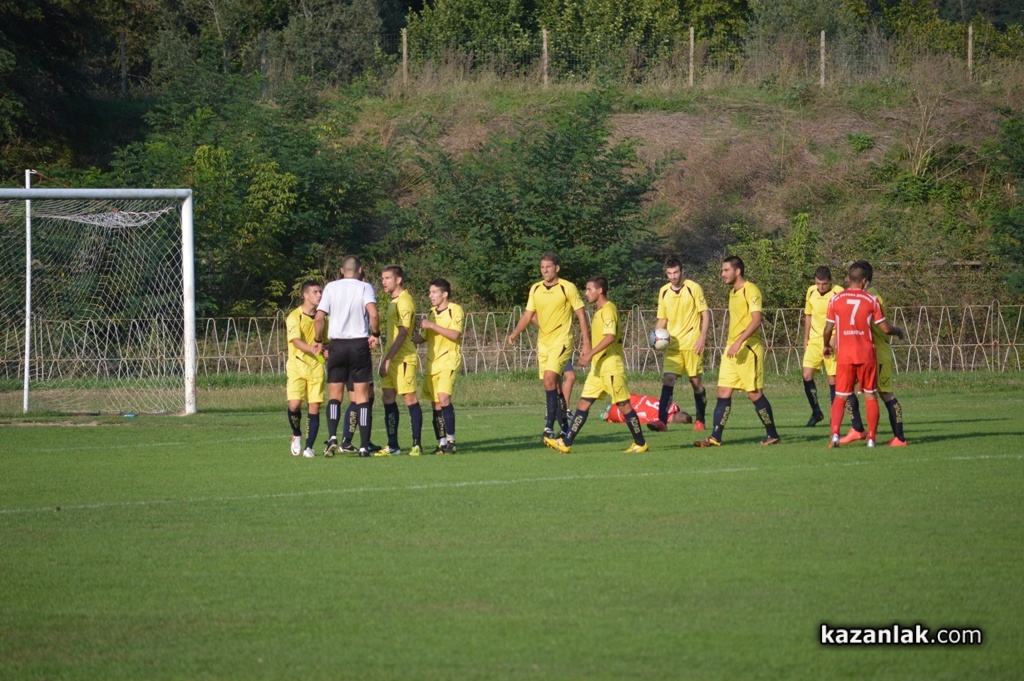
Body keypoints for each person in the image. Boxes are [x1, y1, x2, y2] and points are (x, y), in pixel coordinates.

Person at [545, 276, 648, 454]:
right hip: (598, 368)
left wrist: (589, 354)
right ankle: (566, 443)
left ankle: (640, 443)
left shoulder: (608, 309)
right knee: (583, 404)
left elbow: (610, 337)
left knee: (623, 405)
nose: (586, 293)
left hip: (611, 366)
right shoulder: (599, 311)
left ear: (600, 290)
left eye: (589, 289)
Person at [695, 256, 782, 447]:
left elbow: (756, 320)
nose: (722, 274)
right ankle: (715, 437)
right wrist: (733, 344)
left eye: (726, 270)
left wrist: (739, 342)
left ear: (738, 271)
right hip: (731, 349)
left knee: (754, 393)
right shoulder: (733, 292)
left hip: (748, 349)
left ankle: (772, 434)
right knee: (723, 391)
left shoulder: (751, 290)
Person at [508, 252, 591, 443]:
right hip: (543, 343)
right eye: (542, 267)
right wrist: (515, 332)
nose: (545, 270)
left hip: (562, 341)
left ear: (557, 268)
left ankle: (548, 427)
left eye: (548, 267)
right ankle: (564, 428)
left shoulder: (567, 287)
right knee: (554, 385)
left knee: (549, 379)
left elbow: (580, 313)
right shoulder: (535, 288)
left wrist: (586, 343)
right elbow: (528, 314)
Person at [822, 262, 904, 448]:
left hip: (845, 355)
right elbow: (885, 328)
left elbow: (828, 329)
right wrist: (898, 331)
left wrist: (827, 345)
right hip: (867, 355)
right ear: (865, 280)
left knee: (840, 396)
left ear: (848, 278)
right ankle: (871, 438)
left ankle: (835, 434)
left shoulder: (835, 299)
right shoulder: (871, 299)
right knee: (871, 395)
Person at [313, 256, 380, 457]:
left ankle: (333, 437)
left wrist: (318, 339)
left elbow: (319, 318)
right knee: (362, 397)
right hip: (359, 344)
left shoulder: (331, 287)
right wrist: (375, 334)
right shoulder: (364, 287)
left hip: (337, 345)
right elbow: (374, 314)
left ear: (342, 270)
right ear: (360, 270)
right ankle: (364, 446)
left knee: (335, 395)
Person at [649, 258, 710, 432]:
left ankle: (700, 419)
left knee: (695, 382)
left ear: (682, 272)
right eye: (669, 273)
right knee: (668, 380)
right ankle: (662, 422)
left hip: (692, 343)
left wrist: (702, 337)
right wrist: (654, 338)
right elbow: (663, 318)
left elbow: (705, 313)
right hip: (673, 346)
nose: (673, 276)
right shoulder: (663, 291)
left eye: (676, 272)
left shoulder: (693, 288)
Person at [802, 266, 866, 432]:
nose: (821, 287)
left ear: (830, 281)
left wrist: (833, 342)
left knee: (833, 380)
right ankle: (816, 411)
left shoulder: (838, 292)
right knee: (806, 375)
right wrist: (805, 338)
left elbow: (843, 318)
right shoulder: (811, 291)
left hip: (832, 340)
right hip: (815, 340)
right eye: (818, 283)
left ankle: (834, 415)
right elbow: (808, 315)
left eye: (824, 284)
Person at [413, 278, 464, 455]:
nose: (430, 295)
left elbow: (455, 334)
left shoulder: (455, 309)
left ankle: (451, 441)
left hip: (449, 360)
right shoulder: (431, 312)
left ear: (445, 294)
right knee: (435, 403)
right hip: (432, 363)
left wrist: (432, 325)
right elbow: (424, 337)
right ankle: (441, 443)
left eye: (434, 292)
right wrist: (406, 339)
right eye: (430, 292)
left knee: (443, 398)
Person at [379, 264, 423, 456]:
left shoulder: (404, 301)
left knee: (409, 398)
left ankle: (416, 444)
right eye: (382, 278)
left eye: (387, 278)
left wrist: (388, 358)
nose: (384, 282)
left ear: (398, 280)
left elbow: (404, 332)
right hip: (391, 357)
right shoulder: (393, 301)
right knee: (388, 397)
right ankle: (393, 445)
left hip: (403, 358)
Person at [863, 261, 909, 446]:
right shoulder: (868, 295)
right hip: (870, 354)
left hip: (879, 354)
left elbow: (884, 327)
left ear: (864, 279)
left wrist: (897, 330)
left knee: (886, 394)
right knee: (868, 394)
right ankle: (866, 433)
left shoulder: (872, 297)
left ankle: (900, 437)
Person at [286, 280, 324, 458]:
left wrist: (325, 352)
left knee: (314, 406)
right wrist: (312, 349)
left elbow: (325, 342)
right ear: (305, 295)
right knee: (294, 405)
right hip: (297, 366)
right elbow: (295, 341)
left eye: (320, 292)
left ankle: (309, 447)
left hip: (316, 367)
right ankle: (296, 433)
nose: (319, 295)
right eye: (315, 292)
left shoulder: (322, 318)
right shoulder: (294, 316)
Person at [602, 393, 693, 425]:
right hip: (618, 412)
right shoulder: (658, 420)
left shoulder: (673, 405)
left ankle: (609, 408)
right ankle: (607, 415)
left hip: (628, 397)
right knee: (610, 415)